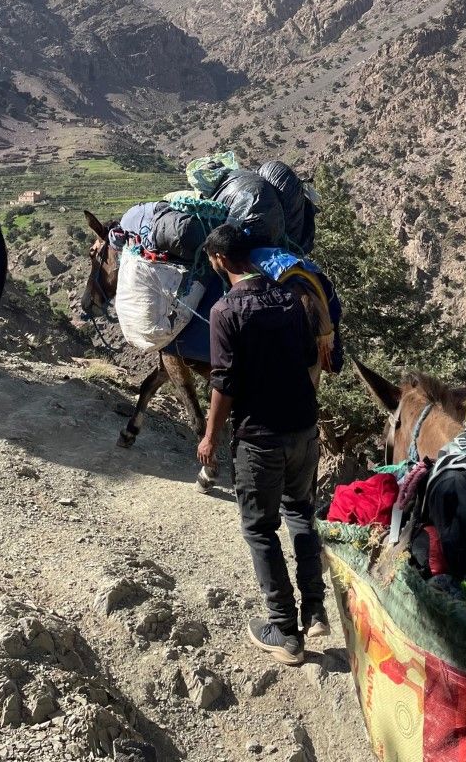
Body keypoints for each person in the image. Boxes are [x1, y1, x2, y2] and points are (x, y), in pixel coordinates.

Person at [196, 223, 329, 666]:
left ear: (218, 261)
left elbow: (224, 382)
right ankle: (315, 609)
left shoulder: (225, 311)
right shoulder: (291, 299)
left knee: (260, 529)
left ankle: (285, 632)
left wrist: (211, 436)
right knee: (301, 513)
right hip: (305, 430)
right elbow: (311, 360)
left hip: (260, 438)